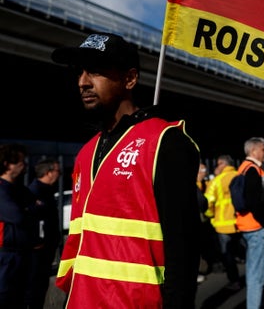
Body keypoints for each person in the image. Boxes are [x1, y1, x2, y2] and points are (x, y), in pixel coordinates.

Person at [51, 32, 201, 308]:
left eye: (95, 71)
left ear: (129, 79)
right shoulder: (86, 153)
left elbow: (184, 248)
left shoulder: (165, 142)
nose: (82, 82)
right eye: (80, 72)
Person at [234, 137, 264, 309]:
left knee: (254, 273)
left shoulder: (243, 168)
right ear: (254, 151)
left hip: (247, 226)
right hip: (257, 227)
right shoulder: (253, 170)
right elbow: (254, 201)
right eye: (263, 149)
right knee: (257, 276)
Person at [0, 143, 39, 308]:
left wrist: (28, 209)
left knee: (22, 298)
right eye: (21, 162)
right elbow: (17, 216)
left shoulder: (19, 189)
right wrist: (28, 209)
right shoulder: (2, 190)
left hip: (23, 253)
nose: (25, 166)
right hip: (6, 256)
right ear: (7, 165)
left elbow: (37, 208)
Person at [25, 157, 62, 309]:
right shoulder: (33, 193)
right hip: (37, 251)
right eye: (58, 171)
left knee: (40, 289)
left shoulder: (46, 192)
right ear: (49, 173)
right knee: (34, 290)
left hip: (46, 250)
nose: (59, 175)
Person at [205, 154, 242, 290]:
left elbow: (208, 203)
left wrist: (210, 215)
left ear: (222, 164)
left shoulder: (216, 181)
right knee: (245, 250)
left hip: (223, 225)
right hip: (241, 222)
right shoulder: (240, 175)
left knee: (228, 254)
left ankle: (235, 281)